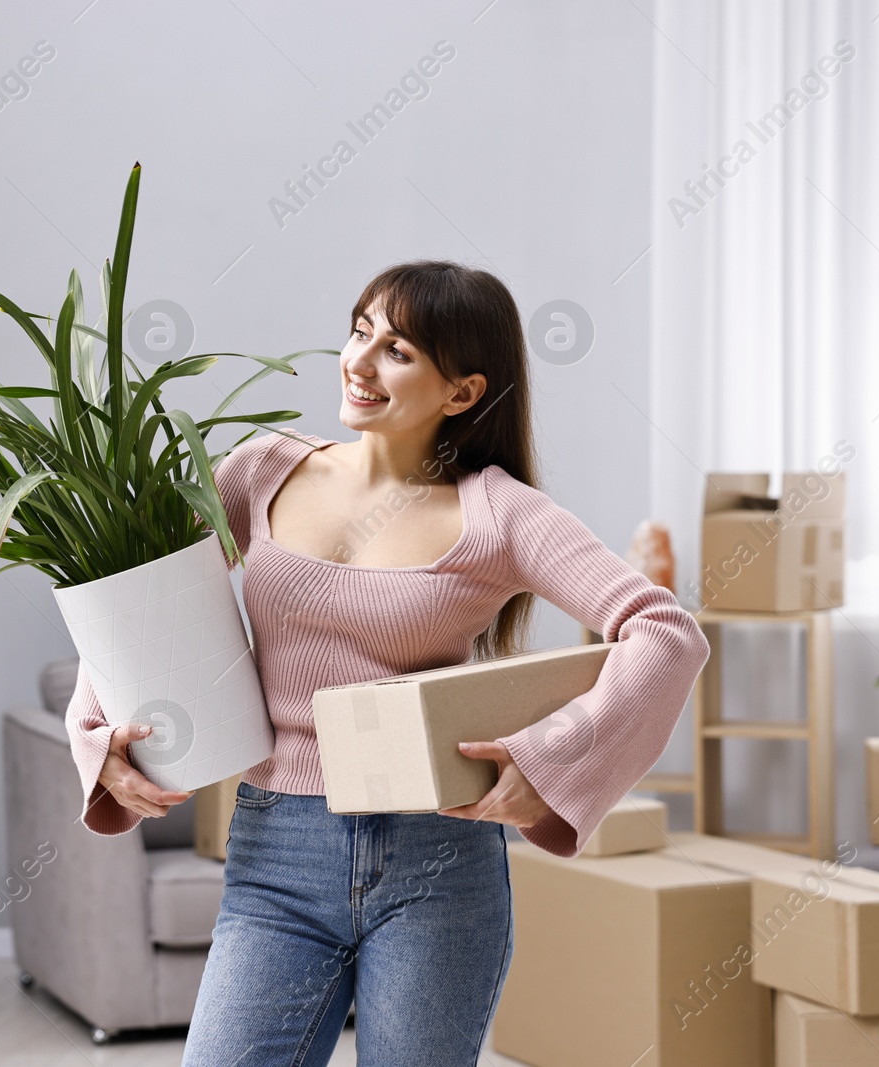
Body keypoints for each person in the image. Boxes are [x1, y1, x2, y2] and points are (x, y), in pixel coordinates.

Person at [64, 259, 710, 1065]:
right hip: (277, 852)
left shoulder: (499, 514)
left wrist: (551, 759)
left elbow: (664, 631)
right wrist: (98, 730)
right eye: (360, 332)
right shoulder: (264, 469)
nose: (359, 362)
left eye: (397, 350)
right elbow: (142, 588)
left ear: (462, 392)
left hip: (437, 862)